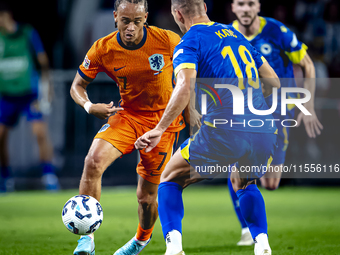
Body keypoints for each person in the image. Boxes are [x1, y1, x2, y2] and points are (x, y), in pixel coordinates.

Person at [135, 0, 281, 254]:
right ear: (204, 6)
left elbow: (184, 87)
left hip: (226, 129)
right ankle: (263, 245)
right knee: (244, 181)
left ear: (177, 14)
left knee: (169, 177)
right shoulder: (234, 33)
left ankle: (174, 248)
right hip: (262, 128)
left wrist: (159, 128)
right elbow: (274, 80)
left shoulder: (189, 42)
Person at [69, 0, 185, 254]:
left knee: (146, 198)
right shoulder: (103, 48)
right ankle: (86, 239)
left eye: (137, 21)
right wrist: (89, 106)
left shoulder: (167, 40)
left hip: (162, 123)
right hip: (127, 115)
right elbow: (77, 86)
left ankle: (140, 240)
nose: (131, 27)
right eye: (125, 21)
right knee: (93, 161)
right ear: (114, 17)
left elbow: (192, 73)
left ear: (146, 17)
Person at [228, 0, 323, 245]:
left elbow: (308, 64)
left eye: (250, 3)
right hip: (243, 111)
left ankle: (248, 184)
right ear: (233, 8)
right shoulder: (226, 34)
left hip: (279, 112)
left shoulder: (278, 32)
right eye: (241, 4)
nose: (246, 9)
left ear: (258, 6)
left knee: (270, 183)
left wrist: (308, 104)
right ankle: (247, 229)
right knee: (237, 169)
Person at [0, 2, 58, 192]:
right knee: (1, 136)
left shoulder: (26, 33)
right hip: (6, 96)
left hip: (29, 94)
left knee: (40, 133)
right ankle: (5, 177)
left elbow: (43, 60)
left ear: (6, 15)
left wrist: (47, 85)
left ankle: (49, 175)